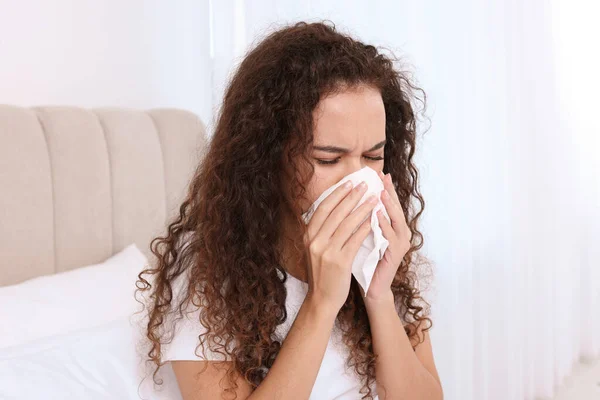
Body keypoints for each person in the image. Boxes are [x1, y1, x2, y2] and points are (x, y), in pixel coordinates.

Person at [135, 20, 443, 400]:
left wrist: (379, 296)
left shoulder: (384, 251)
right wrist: (321, 302)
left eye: (373, 156)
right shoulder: (208, 270)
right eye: (329, 159)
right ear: (268, 159)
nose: (358, 181)